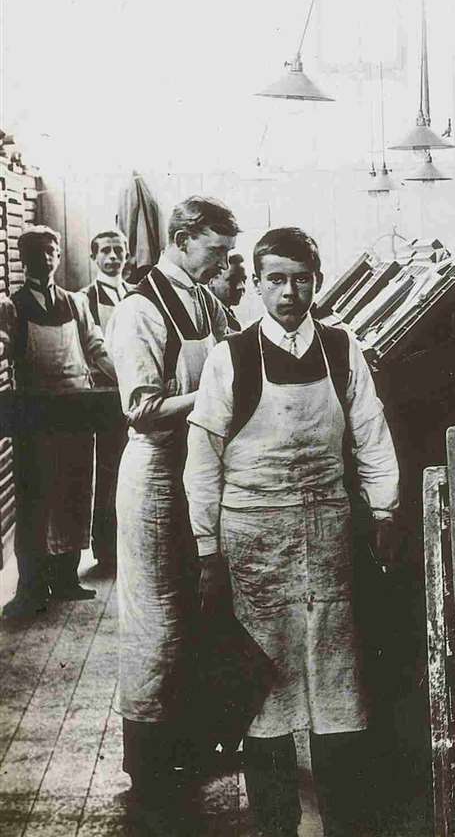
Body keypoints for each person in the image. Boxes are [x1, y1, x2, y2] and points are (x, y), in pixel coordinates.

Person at [184, 227, 399, 836]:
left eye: (300, 278)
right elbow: (203, 457)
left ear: (317, 280)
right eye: (275, 279)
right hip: (254, 538)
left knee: (336, 678)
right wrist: (206, 549)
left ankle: (343, 817)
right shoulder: (231, 356)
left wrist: (383, 510)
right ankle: (275, 820)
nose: (288, 291)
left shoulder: (342, 348)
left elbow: (371, 432)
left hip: (328, 530)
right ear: (256, 283)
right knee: (266, 687)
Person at [107, 195, 238, 811]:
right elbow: (140, 408)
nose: (225, 261)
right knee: (157, 621)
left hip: (197, 472)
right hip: (157, 476)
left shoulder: (205, 300)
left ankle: (186, 748)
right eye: (216, 250)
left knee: (190, 615)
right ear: (183, 238)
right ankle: (150, 768)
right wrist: (215, 387)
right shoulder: (139, 309)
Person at [0, 226, 116, 619]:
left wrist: (127, 380)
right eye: (36, 253)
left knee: (75, 494)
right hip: (34, 415)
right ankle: (30, 589)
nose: (44, 259)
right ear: (23, 258)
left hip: (77, 410)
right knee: (35, 499)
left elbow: (95, 347)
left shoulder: (76, 303)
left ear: (57, 256)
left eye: (50, 252)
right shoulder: (11, 307)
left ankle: (66, 578)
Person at [83, 227, 131, 571]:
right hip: (105, 394)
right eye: (106, 251)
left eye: (119, 251)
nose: (113, 257)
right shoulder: (84, 298)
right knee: (107, 470)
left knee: (132, 469)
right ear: (94, 257)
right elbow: (94, 352)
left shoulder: (136, 295)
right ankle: (105, 550)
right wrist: (126, 379)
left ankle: (130, 546)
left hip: (135, 394)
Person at [208, 251, 248, 332]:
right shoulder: (208, 317)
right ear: (211, 281)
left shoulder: (228, 314)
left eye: (243, 280)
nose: (241, 286)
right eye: (233, 280)